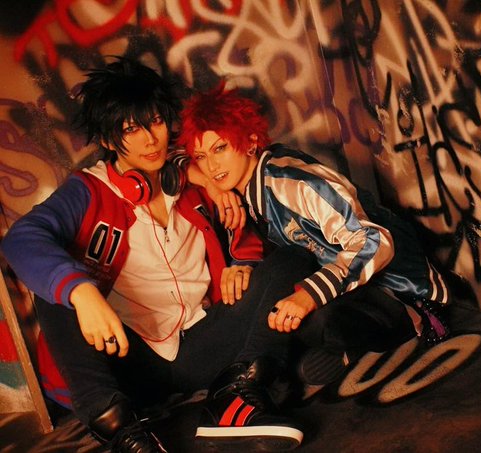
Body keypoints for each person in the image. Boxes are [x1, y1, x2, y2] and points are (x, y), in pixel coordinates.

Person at [0, 58, 317, 452]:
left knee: (294, 257)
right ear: (109, 140)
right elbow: (21, 239)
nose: (150, 140)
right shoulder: (89, 190)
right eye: (131, 129)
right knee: (56, 291)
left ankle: (235, 398)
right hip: (130, 361)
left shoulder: (196, 174)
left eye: (155, 122)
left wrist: (243, 263)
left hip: (203, 344)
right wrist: (82, 292)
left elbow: (246, 230)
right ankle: (124, 434)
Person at [177, 84, 452, 385]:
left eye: (220, 148)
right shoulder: (241, 193)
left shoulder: (290, 181)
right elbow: (169, 159)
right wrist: (243, 265)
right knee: (275, 313)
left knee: (311, 319)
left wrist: (309, 295)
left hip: (398, 287)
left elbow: (375, 241)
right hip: (346, 286)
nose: (212, 166)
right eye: (201, 156)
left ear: (251, 142)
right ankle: (335, 354)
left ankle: (405, 324)